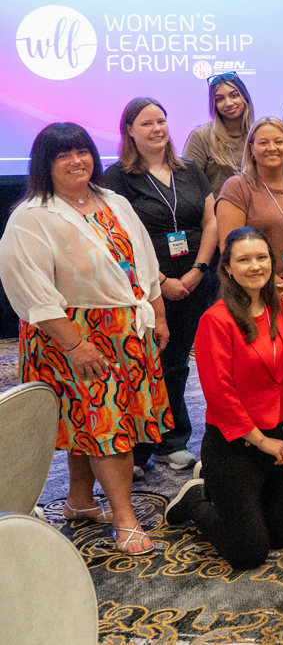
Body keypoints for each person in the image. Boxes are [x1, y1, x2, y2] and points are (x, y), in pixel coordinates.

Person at [0, 123, 172, 555]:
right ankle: (126, 521)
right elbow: (30, 291)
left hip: (127, 331)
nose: (77, 161)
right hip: (72, 336)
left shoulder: (112, 200)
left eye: (82, 151)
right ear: (46, 164)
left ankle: (79, 501)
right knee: (108, 427)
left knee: (88, 422)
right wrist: (75, 345)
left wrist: (160, 315)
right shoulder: (31, 217)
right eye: (64, 156)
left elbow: (145, 262)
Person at [164, 227, 283, 568]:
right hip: (235, 442)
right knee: (249, 553)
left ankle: (228, 495)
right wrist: (262, 442)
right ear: (227, 268)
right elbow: (220, 395)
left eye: (261, 258)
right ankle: (197, 498)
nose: (255, 266)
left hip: (279, 435)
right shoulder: (216, 319)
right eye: (244, 260)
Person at [106, 98, 218, 473]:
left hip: (195, 281)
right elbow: (115, 239)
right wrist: (161, 282)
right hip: (144, 289)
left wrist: (199, 269)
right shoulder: (116, 178)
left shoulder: (188, 169)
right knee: (140, 366)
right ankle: (136, 451)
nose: (157, 129)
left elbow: (210, 220)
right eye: (146, 123)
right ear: (129, 131)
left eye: (162, 121)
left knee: (174, 365)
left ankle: (172, 442)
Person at [215, 118, 283, 305]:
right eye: (263, 142)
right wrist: (278, 286)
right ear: (251, 149)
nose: (272, 148)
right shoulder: (237, 187)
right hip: (255, 294)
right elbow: (229, 248)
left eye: (279, 141)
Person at [185, 72, 253, 193]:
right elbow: (188, 183)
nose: (228, 103)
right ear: (214, 104)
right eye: (220, 99)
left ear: (245, 98)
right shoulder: (201, 136)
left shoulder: (257, 134)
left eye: (234, 95)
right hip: (214, 210)